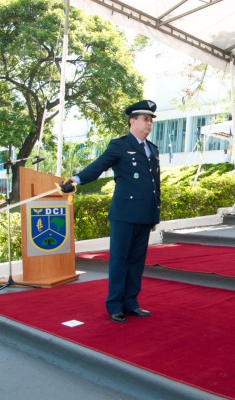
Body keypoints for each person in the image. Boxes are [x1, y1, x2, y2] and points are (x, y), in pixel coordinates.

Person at [59, 100, 160, 323]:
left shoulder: (152, 149)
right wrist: (76, 180)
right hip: (124, 213)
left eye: (151, 120)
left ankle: (131, 303)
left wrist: (156, 210)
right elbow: (100, 165)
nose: (149, 123)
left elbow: (154, 184)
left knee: (136, 261)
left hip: (144, 213)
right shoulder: (120, 145)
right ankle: (115, 305)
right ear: (132, 121)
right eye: (145, 119)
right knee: (119, 260)